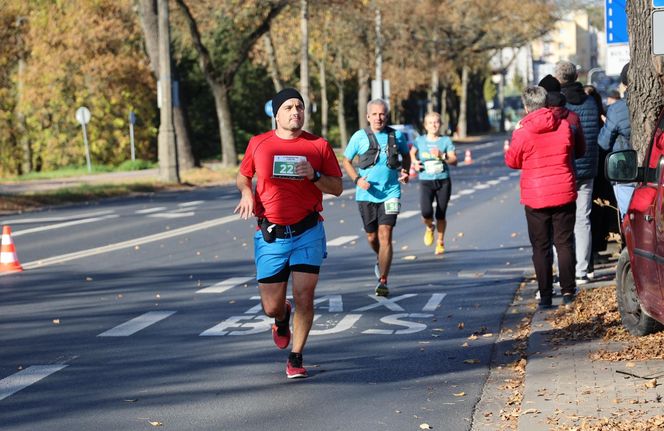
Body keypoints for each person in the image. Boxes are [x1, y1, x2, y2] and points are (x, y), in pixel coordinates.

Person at [234, 88, 343, 379]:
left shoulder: (318, 145)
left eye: (300, 107)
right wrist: (246, 192)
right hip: (271, 233)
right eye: (289, 107)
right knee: (270, 306)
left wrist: (315, 176)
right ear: (276, 113)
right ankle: (282, 318)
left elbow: (337, 187)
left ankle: (296, 357)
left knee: (305, 296)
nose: (295, 112)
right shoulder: (259, 144)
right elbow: (244, 175)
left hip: (308, 230)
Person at [505, 86, 579, 308]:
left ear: (527, 106)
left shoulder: (523, 133)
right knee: (564, 243)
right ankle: (568, 292)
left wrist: (515, 134)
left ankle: (545, 296)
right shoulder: (564, 126)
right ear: (546, 103)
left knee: (541, 246)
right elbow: (570, 150)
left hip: (536, 195)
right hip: (564, 191)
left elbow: (512, 161)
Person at [342, 99, 411, 297]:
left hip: (391, 192)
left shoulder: (396, 135)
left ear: (386, 116)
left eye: (382, 114)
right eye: (374, 114)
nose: (378, 118)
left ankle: (383, 280)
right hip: (366, 194)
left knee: (385, 234)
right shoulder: (359, 137)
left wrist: (405, 171)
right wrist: (356, 179)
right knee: (372, 237)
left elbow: (406, 156)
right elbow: (346, 161)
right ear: (368, 116)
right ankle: (380, 257)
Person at [555, 61, 600, 285]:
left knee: (562, 221)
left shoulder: (558, 104)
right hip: (589, 165)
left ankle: (564, 269)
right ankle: (582, 270)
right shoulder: (590, 101)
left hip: (565, 166)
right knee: (583, 218)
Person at [409, 112, 457, 255]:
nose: (433, 125)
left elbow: (454, 160)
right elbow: (412, 153)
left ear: (440, 124)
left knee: (441, 214)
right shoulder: (420, 140)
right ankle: (430, 227)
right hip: (426, 180)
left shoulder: (446, 141)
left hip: (443, 180)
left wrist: (442, 156)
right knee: (426, 212)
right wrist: (414, 163)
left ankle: (440, 242)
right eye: (430, 123)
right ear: (425, 126)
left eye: (436, 122)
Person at [584, 84, 619, 269]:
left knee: (586, 214)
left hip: (587, 169)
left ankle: (590, 254)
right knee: (598, 211)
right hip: (602, 170)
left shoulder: (578, 115)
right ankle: (596, 249)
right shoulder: (601, 117)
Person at [598, 62, 634, 217]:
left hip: (624, 170)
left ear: (624, 83)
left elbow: (604, 142)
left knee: (629, 217)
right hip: (656, 172)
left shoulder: (617, 109)